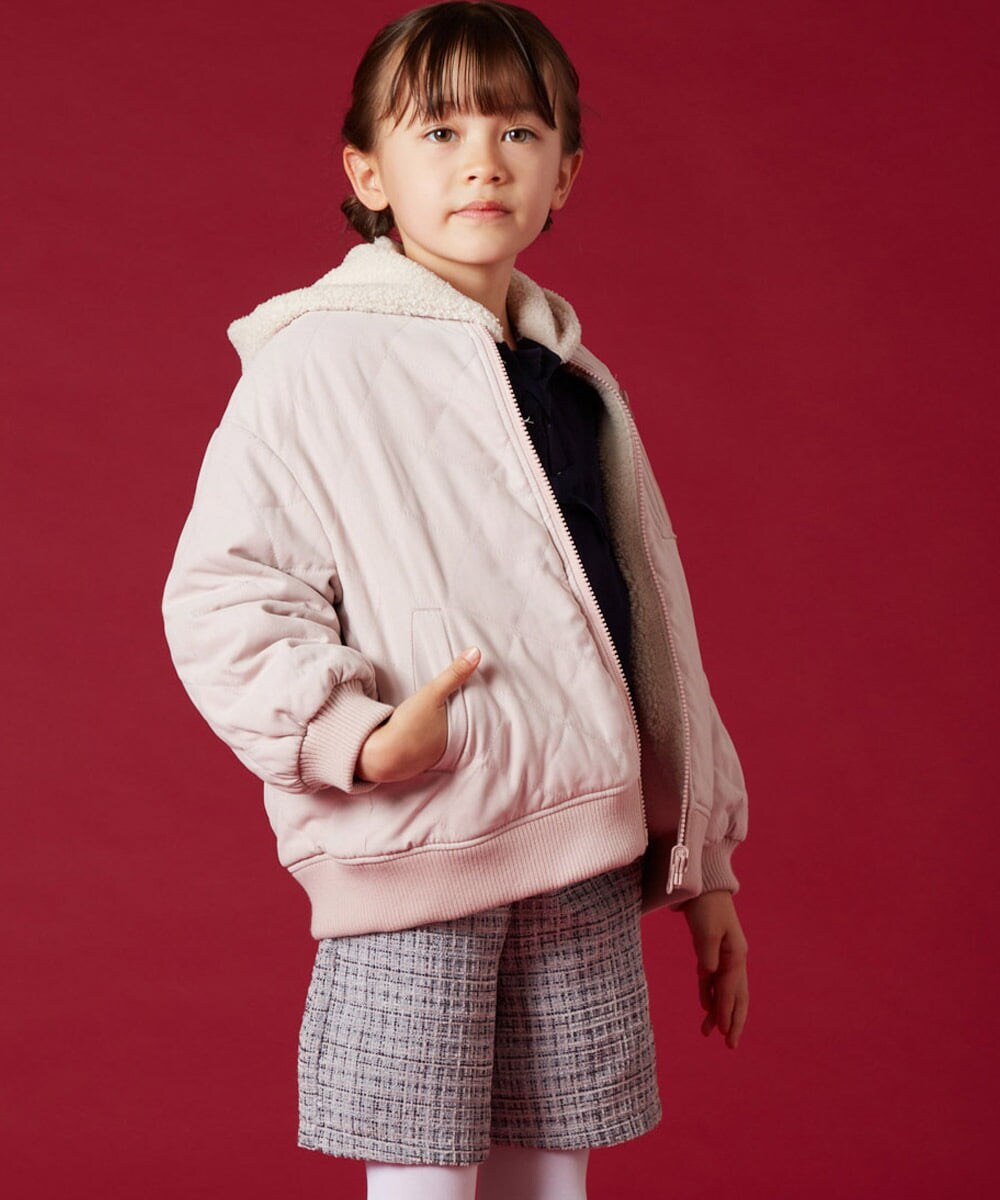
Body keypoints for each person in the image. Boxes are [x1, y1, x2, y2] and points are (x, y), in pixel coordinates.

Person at [161, 3, 750, 1197]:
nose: (483, 160)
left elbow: (643, 627)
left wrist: (706, 860)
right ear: (367, 173)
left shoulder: (571, 381)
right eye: (439, 131)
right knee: (421, 1174)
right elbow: (225, 596)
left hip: (584, 845)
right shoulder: (314, 362)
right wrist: (358, 739)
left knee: (551, 1169)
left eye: (518, 131)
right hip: (419, 845)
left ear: (563, 174)